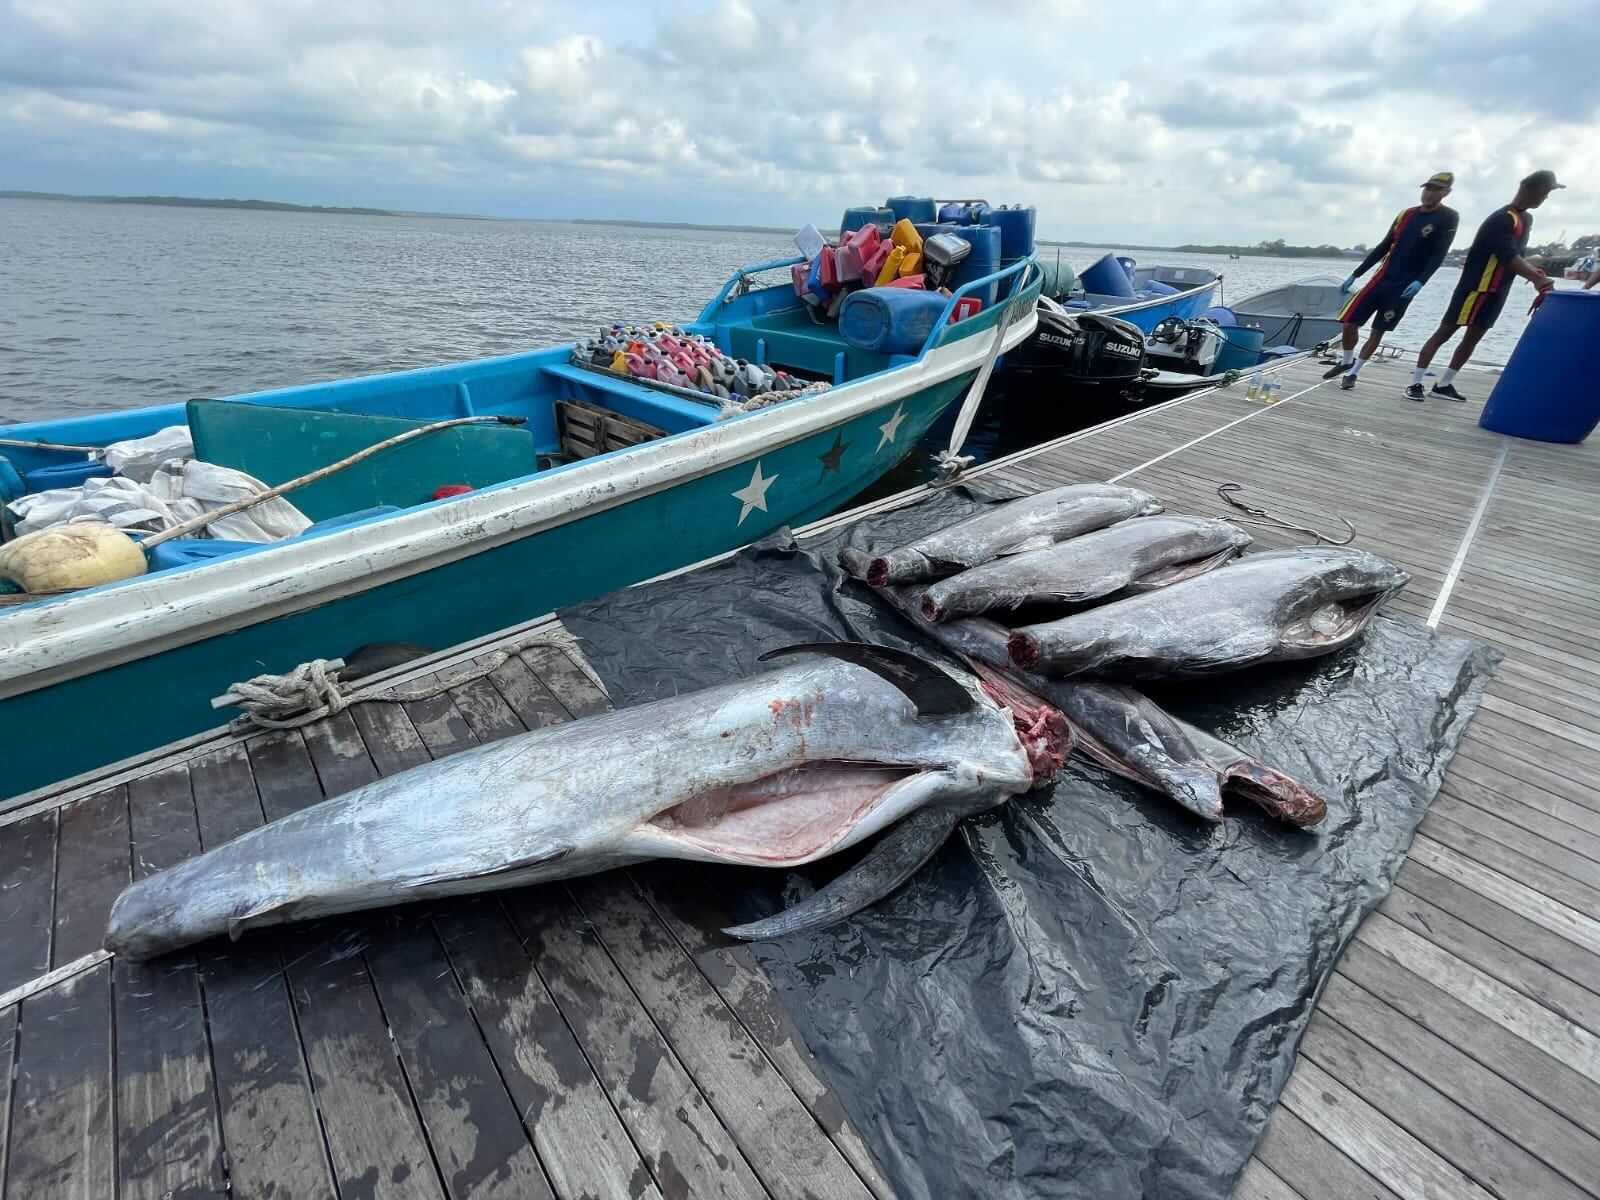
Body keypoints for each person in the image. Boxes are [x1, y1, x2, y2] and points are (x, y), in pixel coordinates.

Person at [1407, 170, 1563, 401]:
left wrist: (1534, 272)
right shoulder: (1501, 218)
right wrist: (1537, 279)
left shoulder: (1525, 220)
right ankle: (1415, 383)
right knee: (1445, 332)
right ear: (1535, 189)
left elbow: (1517, 256)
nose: (1546, 198)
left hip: (1498, 290)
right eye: (1546, 192)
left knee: (1474, 337)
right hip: (1475, 288)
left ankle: (1444, 384)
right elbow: (1507, 255)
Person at [1325, 172, 1459, 390]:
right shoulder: (1406, 215)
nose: (1429, 193)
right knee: (1349, 321)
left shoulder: (1448, 218)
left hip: (1404, 287)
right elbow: (1384, 245)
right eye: (1427, 188)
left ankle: (1354, 372)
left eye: (1436, 189)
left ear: (1446, 192)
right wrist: (1356, 274)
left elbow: (1438, 255)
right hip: (1381, 279)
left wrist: (1421, 282)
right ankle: (1347, 359)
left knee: (1379, 330)